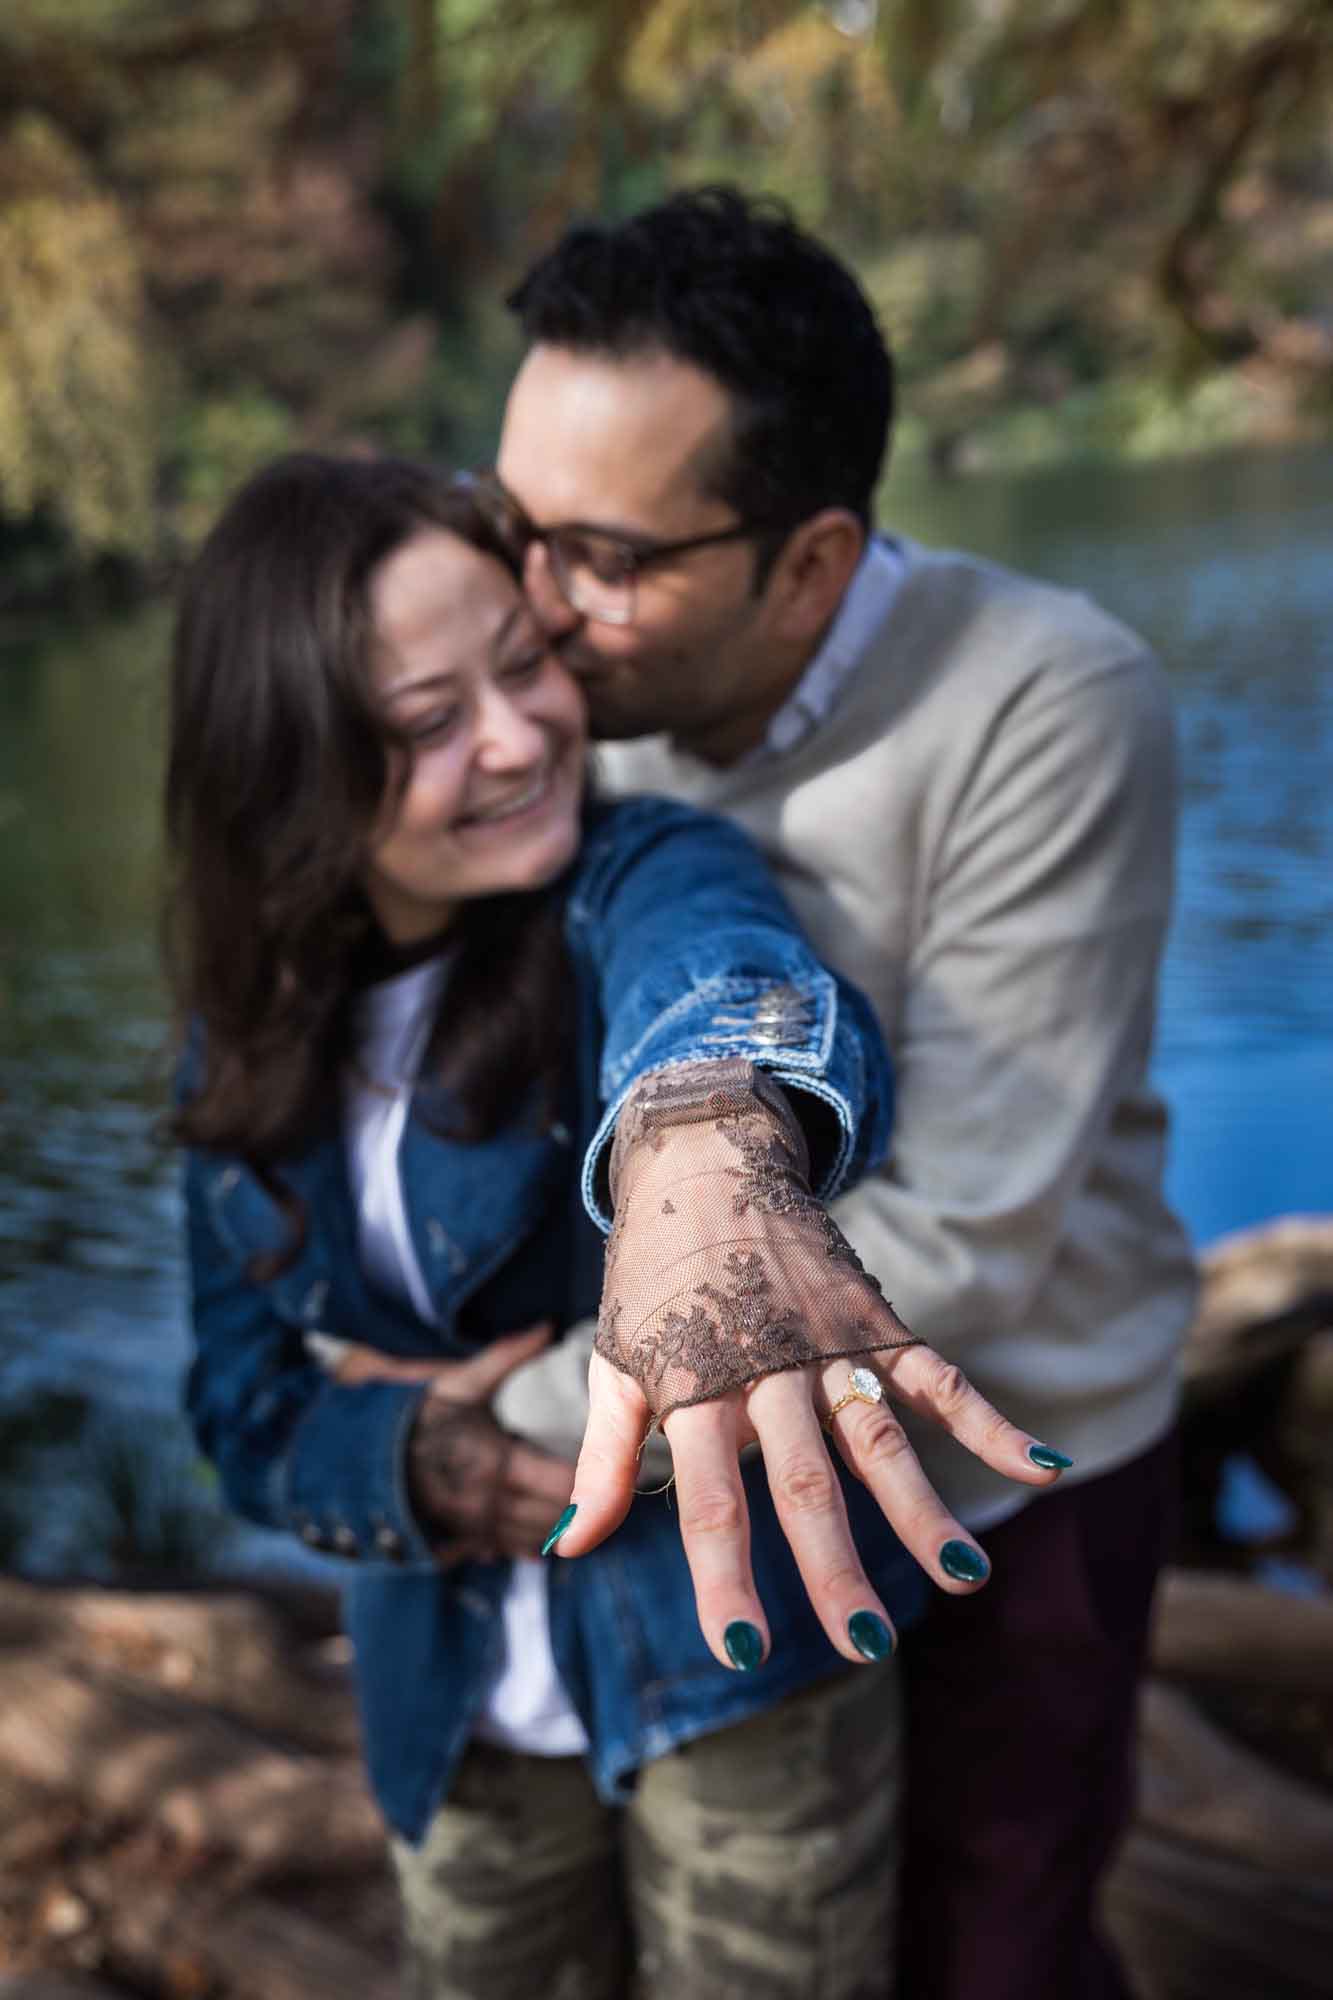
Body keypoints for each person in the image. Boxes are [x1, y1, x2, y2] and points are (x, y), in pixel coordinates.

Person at [167, 451, 1063, 2000]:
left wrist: (703, 1139)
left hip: (744, 1661)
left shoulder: (640, 868)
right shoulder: (241, 1042)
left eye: (524, 667)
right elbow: (238, 1403)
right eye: (428, 725)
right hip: (442, 1699)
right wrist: (408, 1466)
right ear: (293, 769)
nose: (519, 742)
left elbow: (718, 974)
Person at [487, 184, 1199, 2000]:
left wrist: (504, 1425)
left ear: (804, 562)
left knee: (991, 1939)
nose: (538, 611)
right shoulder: (559, 701)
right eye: (515, 532)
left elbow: (966, 1229)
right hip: (681, 1453)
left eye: (605, 555)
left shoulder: (1043, 700)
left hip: (996, 1472)